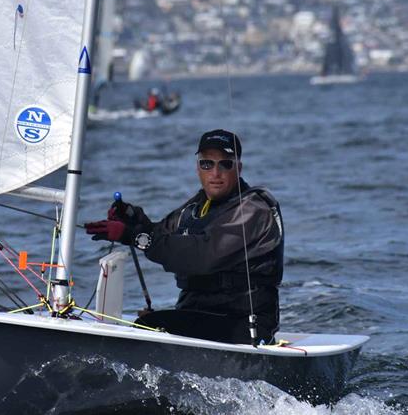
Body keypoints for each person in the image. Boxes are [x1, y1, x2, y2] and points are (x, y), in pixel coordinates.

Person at [84, 129, 284, 345]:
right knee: (150, 323)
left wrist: (134, 236)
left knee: (153, 326)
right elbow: (161, 234)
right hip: (200, 313)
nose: (215, 173)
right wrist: (132, 220)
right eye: (207, 164)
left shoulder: (253, 210)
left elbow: (201, 254)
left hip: (242, 323)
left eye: (225, 164)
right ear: (198, 169)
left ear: (239, 168)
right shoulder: (196, 207)